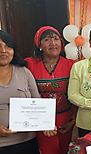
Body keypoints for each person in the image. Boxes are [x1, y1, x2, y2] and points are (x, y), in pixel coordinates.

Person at [25, 26, 76, 154]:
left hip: (67, 120)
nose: (53, 43)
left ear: (61, 43)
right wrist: (40, 122)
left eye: (56, 39)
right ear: (39, 45)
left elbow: (76, 93)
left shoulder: (72, 65)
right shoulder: (29, 64)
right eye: (47, 39)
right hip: (41, 121)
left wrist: (73, 120)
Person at [0, 30, 40, 153]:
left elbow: (37, 102)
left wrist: (46, 124)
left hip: (27, 141)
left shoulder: (24, 72)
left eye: (7, 46)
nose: (3, 51)